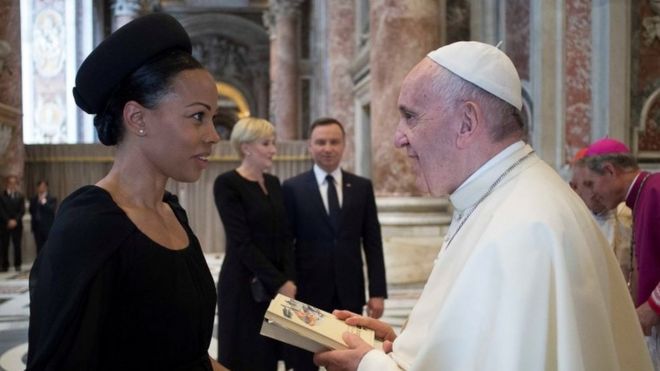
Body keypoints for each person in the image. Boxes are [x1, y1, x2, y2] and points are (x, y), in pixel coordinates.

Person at [314, 41, 652, 370]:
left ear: (466, 123)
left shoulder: (525, 229)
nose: (398, 137)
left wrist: (368, 365)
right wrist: (404, 345)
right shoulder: (504, 195)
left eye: (410, 116)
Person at [27, 13, 227, 370]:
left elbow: (187, 355)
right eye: (198, 116)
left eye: (213, 118)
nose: (213, 135)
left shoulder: (171, 212)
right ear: (137, 119)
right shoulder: (89, 226)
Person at [282, 117, 388, 371]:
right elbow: (286, 242)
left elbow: (372, 241)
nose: (327, 148)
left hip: (348, 291)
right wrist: (288, 282)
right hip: (306, 292)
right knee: (304, 362)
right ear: (310, 146)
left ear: (344, 146)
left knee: (348, 360)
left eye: (333, 142)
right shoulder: (292, 188)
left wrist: (377, 291)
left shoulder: (362, 187)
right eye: (321, 142)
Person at [213, 117, 296, 371]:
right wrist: (279, 281)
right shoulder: (227, 184)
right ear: (246, 147)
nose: (273, 149)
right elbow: (242, 243)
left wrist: (289, 279)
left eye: (273, 143)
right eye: (266, 143)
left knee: (268, 357)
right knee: (244, 356)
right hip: (243, 286)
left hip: (275, 286)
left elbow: (284, 236)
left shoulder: (273, 183)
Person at [576, 137, 660, 369]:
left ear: (609, 171)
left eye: (591, 184)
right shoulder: (643, 195)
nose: (591, 195)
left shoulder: (656, 190)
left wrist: (652, 307)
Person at [569, 148, 633, 280]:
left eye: (593, 184)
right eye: (587, 184)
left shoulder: (627, 213)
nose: (594, 192)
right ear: (573, 187)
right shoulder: (568, 219)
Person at [0, 175, 25, 272]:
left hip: (17, 225)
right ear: (7, 184)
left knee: (17, 245)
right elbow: (1, 210)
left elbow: (21, 211)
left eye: (14, 183)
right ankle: (4, 265)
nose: (12, 185)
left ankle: (17, 265)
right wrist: (8, 221)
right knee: (4, 245)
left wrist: (15, 220)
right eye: (11, 183)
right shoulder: (2, 196)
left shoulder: (20, 196)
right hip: (4, 225)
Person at [28, 180, 57, 255]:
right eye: (40, 186)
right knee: (38, 248)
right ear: (37, 187)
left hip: (47, 227)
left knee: (48, 248)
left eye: (43, 186)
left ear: (47, 187)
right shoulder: (33, 199)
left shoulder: (52, 198)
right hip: (37, 227)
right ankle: (39, 265)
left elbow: (51, 210)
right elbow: (31, 211)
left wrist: (43, 202)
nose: (41, 188)